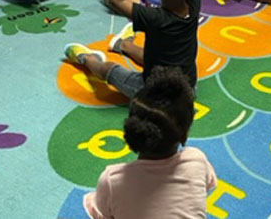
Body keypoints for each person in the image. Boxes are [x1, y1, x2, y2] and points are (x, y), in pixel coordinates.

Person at [64, 0, 202, 97]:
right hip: (188, 90)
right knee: (159, 55)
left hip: (152, 92)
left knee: (109, 69)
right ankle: (123, 45)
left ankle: (87, 59)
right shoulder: (194, 2)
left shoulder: (154, 17)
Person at [83, 66, 217, 219]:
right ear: (184, 135)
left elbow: (104, 214)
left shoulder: (113, 180)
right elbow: (208, 185)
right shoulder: (196, 161)